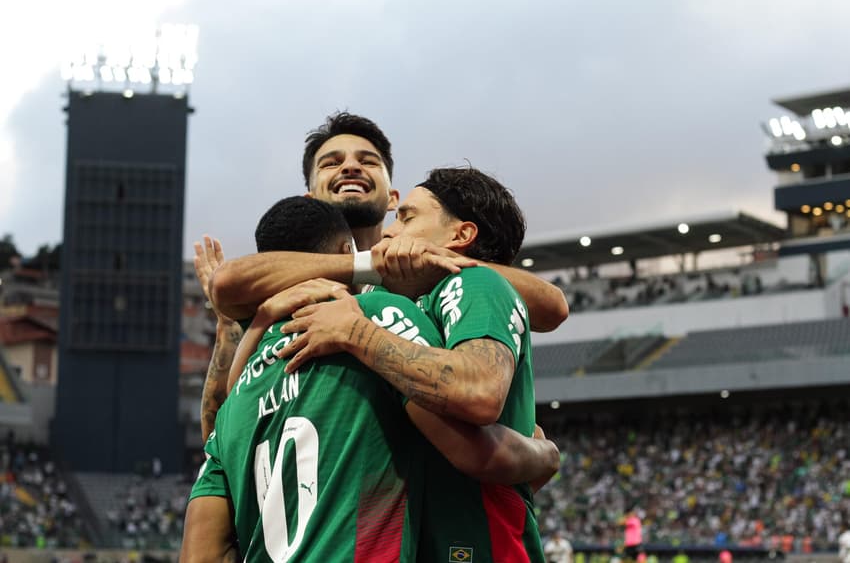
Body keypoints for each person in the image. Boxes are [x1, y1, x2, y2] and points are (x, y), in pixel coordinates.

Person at [182, 197, 559, 563]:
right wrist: (542, 454)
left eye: (406, 217)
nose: (390, 236)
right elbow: (475, 442)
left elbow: (201, 554)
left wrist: (250, 326)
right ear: (346, 249)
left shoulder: (236, 398)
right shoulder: (376, 315)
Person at [196, 111, 568, 440]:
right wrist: (367, 264)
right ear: (308, 198)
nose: (351, 167)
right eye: (331, 163)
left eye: (368, 160)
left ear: (393, 198)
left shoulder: (427, 269)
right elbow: (223, 439)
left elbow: (551, 306)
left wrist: (430, 260)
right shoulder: (281, 289)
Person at [277, 168, 548, 561]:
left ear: (460, 236)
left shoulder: (476, 284)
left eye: (407, 217)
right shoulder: (419, 303)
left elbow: (481, 390)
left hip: (482, 548)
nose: (389, 232)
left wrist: (358, 334)